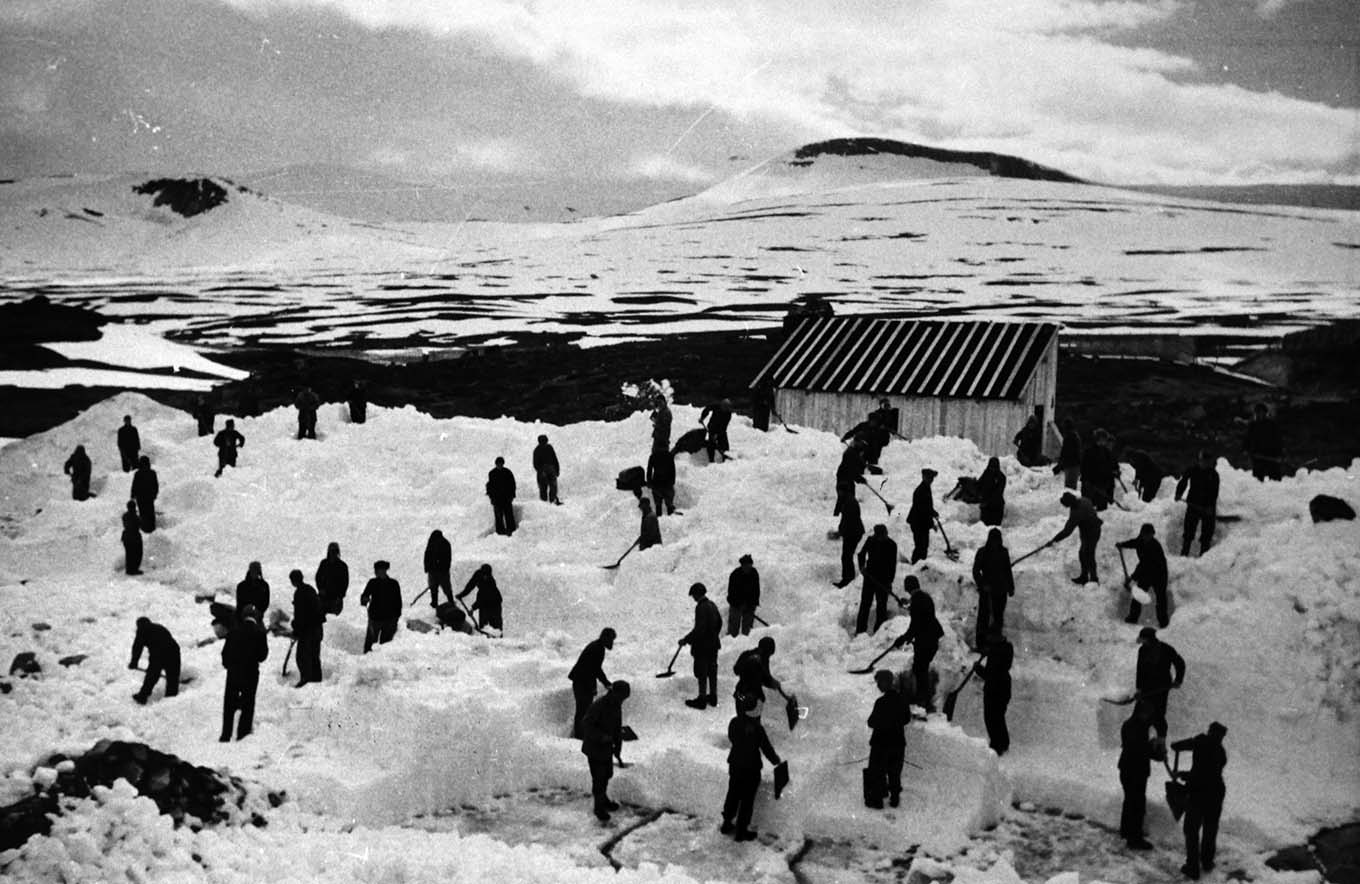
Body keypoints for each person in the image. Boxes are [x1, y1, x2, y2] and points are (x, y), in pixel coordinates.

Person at [721, 690, 782, 840]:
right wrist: (776, 761)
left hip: (735, 764)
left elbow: (732, 738)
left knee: (733, 794)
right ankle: (741, 831)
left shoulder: (734, 722)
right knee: (747, 800)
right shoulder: (758, 729)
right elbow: (766, 748)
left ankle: (727, 823)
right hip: (751, 768)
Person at [1171, 722, 1228, 880]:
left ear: (1209, 731)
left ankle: (1192, 867)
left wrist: (1182, 774)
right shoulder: (1221, 752)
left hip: (1199, 794)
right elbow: (1207, 772)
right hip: (1216, 793)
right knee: (1210, 828)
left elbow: (1200, 774)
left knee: (1191, 830)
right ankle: (1207, 862)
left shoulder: (1202, 741)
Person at [580, 680, 631, 822]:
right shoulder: (599, 705)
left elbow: (617, 727)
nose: (623, 701)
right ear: (615, 693)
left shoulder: (616, 704)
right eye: (622, 697)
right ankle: (599, 808)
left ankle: (604, 799)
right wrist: (601, 737)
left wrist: (618, 747)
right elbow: (586, 724)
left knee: (607, 774)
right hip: (594, 747)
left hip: (606, 747)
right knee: (599, 778)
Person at [892, 578, 943, 711]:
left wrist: (903, 638)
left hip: (925, 640)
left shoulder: (916, 601)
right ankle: (924, 699)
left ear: (907, 587)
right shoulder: (925, 597)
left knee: (920, 669)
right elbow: (922, 616)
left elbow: (915, 624)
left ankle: (923, 701)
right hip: (932, 637)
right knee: (921, 668)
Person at [220, 605, 268, 741]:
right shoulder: (260, 633)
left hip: (233, 673)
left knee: (229, 704)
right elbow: (262, 656)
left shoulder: (233, 632)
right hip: (251, 673)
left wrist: (229, 666)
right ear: (256, 617)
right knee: (248, 703)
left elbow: (225, 654)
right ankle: (243, 734)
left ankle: (226, 735)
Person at [866, 669, 910, 809]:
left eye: (879, 682)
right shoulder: (902, 700)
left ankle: (877, 801)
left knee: (878, 772)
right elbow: (906, 719)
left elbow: (871, 722)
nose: (878, 685)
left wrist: (883, 723)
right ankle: (894, 798)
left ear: (886, 683)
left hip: (880, 744)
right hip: (897, 743)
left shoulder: (881, 702)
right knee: (894, 773)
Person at [679, 582, 724, 708]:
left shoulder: (701, 607)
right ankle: (713, 696)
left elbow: (700, 628)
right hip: (714, 644)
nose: (693, 598)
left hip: (703, 646)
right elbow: (720, 623)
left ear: (696, 594)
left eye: (693, 595)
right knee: (712, 670)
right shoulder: (712, 605)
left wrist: (686, 639)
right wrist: (713, 635)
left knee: (702, 672)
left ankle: (702, 699)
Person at [1118, 705, 1157, 850]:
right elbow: (1137, 748)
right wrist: (1152, 748)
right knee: (1137, 804)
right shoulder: (1135, 727)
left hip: (1130, 769)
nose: (1148, 716)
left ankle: (1127, 832)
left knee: (1130, 801)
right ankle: (1134, 839)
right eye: (1147, 713)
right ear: (1140, 712)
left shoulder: (1134, 724)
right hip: (1134, 770)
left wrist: (1153, 749)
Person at [1135, 627, 1185, 738]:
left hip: (1162, 686)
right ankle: (1142, 739)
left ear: (1148, 639)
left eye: (1143, 639)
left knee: (1158, 714)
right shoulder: (1142, 650)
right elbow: (1140, 670)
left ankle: (1161, 739)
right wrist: (1138, 689)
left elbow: (1180, 663)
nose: (1142, 641)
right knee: (1142, 714)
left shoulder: (1166, 649)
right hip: (1147, 687)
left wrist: (1178, 680)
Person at [1116, 524, 1170, 627]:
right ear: (1142, 534)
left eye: (1149, 535)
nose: (1146, 537)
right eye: (1145, 535)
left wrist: (1132, 578)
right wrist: (1122, 544)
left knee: (1161, 598)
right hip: (1147, 573)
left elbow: (1144, 565)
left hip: (1159, 574)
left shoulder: (1154, 546)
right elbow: (1133, 543)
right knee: (1138, 595)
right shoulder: (1140, 540)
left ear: (1152, 534)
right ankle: (1133, 617)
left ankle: (1163, 622)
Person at [971, 528, 1015, 648]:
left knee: (998, 617)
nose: (995, 543)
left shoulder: (1004, 552)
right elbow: (976, 571)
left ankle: (995, 643)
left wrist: (1010, 587)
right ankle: (981, 643)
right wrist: (982, 584)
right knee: (984, 617)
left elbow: (1007, 571)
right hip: (987, 591)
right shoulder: (982, 552)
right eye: (993, 540)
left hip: (1001, 590)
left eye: (997, 540)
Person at [568, 628, 615, 738]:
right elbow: (595, 669)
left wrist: (603, 683)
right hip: (582, 682)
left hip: (582, 681)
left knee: (584, 710)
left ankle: (580, 734)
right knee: (583, 710)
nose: (612, 643)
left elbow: (594, 669)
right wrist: (605, 683)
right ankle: (579, 736)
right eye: (611, 639)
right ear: (605, 638)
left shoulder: (597, 646)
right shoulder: (597, 648)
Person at [973, 635, 1014, 755]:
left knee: (993, 718)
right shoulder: (1004, 648)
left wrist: (978, 669)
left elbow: (992, 674)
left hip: (996, 689)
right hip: (1000, 687)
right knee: (996, 717)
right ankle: (1001, 744)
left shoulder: (999, 650)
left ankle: (998, 746)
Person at [1051, 491, 1103, 585]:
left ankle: (1093, 579)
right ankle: (1085, 576)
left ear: (1070, 503)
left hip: (1091, 532)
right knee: (1083, 554)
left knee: (1088, 555)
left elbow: (1067, 531)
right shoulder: (1084, 500)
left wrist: (1054, 540)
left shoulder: (1077, 512)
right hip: (1093, 529)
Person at [1175, 450, 1219, 557]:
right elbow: (1183, 481)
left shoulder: (1213, 475)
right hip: (1193, 504)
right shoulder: (1192, 470)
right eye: (1202, 461)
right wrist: (1179, 493)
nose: (1204, 463)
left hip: (1208, 507)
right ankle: (1184, 553)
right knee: (1188, 532)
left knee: (1207, 534)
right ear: (1199, 461)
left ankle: (1204, 556)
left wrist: (1210, 507)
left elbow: (1214, 493)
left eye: (1207, 461)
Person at [855, 524, 897, 635]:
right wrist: (862, 567)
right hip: (870, 577)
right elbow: (861, 554)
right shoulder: (871, 540)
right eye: (881, 536)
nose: (884, 537)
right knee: (865, 604)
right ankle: (860, 631)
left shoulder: (892, 545)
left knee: (881, 606)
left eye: (885, 534)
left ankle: (879, 632)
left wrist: (889, 582)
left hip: (883, 579)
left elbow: (892, 566)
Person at [129, 617, 179, 704]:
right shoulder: (159, 627)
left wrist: (134, 662)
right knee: (172, 676)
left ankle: (142, 696)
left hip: (161, 653)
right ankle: (171, 699)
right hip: (173, 651)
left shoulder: (142, 630)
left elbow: (137, 647)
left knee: (152, 676)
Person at [289, 569, 323, 687]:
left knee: (302, 656)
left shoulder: (299, 593)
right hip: (317, 628)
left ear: (293, 581)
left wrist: (296, 629)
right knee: (314, 655)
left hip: (307, 630)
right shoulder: (310, 589)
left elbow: (300, 615)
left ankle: (306, 679)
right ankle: (317, 680)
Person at [360, 560, 402, 652]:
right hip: (375, 618)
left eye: (377, 570)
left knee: (385, 646)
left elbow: (398, 602)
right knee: (370, 644)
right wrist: (364, 599)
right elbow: (365, 595)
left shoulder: (393, 584)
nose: (376, 572)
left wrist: (396, 617)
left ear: (384, 570)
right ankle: (367, 659)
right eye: (376, 570)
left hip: (389, 619)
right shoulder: (372, 582)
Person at [733, 636, 783, 713]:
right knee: (752, 718)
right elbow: (766, 679)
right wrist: (773, 683)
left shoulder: (747, 654)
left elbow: (736, 670)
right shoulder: (762, 658)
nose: (769, 656)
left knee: (742, 717)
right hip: (752, 697)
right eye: (769, 653)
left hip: (740, 694)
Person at [833, 484, 865, 588]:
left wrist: (841, 531)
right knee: (847, 556)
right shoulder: (848, 499)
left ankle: (848, 579)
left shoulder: (849, 502)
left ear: (842, 491)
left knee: (846, 556)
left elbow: (848, 520)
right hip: (853, 532)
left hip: (852, 533)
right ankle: (849, 578)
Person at [1080, 429, 1119, 511]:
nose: (1104, 441)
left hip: (1103, 484)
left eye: (1105, 439)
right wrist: (1086, 480)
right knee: (1088, 507)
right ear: (1098, 439)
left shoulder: (1106, 452)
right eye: (1102, 439)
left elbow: (1112, 465)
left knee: (1102, 508)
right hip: (1091, 484)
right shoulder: (1089, 452)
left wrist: (1115, 472)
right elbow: (1084, 468)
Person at [458, 563, 503, 632]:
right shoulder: (478, 574)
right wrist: (462, 594)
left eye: (487, 575)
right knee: (483, 623)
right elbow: (470, 585)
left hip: (495, 603)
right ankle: (483, 631)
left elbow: (482, 598)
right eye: (485, 575)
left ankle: (497, 634)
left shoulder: (490, 582)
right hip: (485, 603)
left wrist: (473, 608)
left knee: (496, 625)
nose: (485, 577)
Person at [906, 468, 938, 563]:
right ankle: (916, 563)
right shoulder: (920, 491)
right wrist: (931, 523)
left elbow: (927, 507)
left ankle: (919, 563)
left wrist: (933, 512)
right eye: (929, 478)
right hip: (918, 523)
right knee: (921, 546)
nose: (931, 480)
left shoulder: (926, 487)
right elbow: (923, 511)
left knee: (923, 545)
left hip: (921, 522)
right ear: (923, 477)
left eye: (932, 478)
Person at [1244, 403, 1282, 481]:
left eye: (1262, 412)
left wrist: (1279, 453)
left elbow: (1277, 439)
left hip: (1271, 455)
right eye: (1258, 412)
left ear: (1265, 413)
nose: (1260, 414)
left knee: (1275, 479)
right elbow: (1248, 438)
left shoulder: (1272, 424)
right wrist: (1246, 449)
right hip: (1257, 455)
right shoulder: (1253, 425)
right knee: (1257, 479)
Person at [726, 555, 761, 637]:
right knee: (733, 628)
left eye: (749, 565)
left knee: (747, 629)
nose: (747, 568)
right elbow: (731, 592)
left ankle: (746, 641)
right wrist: (739, 604)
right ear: (742, 565)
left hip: (749, 605)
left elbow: (756, 591)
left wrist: (752, 604)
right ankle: (731, 641)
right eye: (745, 566)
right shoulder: (735, 574)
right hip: (736, 605)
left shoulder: (754, 573)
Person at [315, 541, 349, 616]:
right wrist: (320, 589)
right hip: (323, 595)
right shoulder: (324, 563)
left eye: (334, 551)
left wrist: (340, 596)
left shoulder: (342, 566)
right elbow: (318, 577)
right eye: (331, 550)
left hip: (336, 598)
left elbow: (345, 583)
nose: (333, 553)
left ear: (337, 552)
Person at [486, 456, 517, 536]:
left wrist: (512, 495)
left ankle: (511, 530)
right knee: (498, 516)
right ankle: (500, 532)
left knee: (509, 515)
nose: (499, 465)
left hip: (506, 498)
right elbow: (490, 486)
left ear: (503, 464)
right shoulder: (492, 473)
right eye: (498, 464)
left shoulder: (508, 472)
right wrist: (491, 497)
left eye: (501, 464)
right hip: (497, 499)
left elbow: (512, 484)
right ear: (496, 464)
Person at [646, 443, 677, 516]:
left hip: (656, 484)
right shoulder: (669, 456)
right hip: (667, 484)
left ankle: (659, 521)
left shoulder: (653, 456)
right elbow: (673, 471)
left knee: (658, 506)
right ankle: (671, 520)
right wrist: (672, 483)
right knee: (669, 506)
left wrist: (649, 482)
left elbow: (649, 471)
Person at [423, 529, 452, 608]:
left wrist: (427, 567)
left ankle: (435, 601)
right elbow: (448, 558)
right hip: (439, 571)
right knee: (443, 587)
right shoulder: (445, 543)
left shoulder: (433, 542)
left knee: (435, 587)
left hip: (437, 570)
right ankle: (448, 600)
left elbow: (427, 555)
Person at [700, 398, 734, 463]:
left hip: (721, 430)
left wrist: (717, 435)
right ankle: (711, 460)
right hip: (712, 428)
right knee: (711, 444)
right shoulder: (716, 406)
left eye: (726, 408)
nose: (724, 409)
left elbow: (723, 427)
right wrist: (702, 417)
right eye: (724, 407)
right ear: (721, 405)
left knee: (725, 446)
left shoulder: (728, 414)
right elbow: (707, 409)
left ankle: (724, 459)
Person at [130, 455, 158, 532]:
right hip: (149, 497)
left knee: (143, 512)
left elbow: (134, 486)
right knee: (150, 512)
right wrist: (154, 495)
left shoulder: (138, 474)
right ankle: (152, 527)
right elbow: (155, 485)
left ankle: (145, 528)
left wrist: (132, 495)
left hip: (140, 497)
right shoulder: (152, 473)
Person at [532, 434, 562, 504]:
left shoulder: (545, 448)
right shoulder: (540, 449)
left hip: (548, 469)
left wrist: (557, 469)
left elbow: (554, 459)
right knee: (546, 487)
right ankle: (548, 502)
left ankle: (550, 501)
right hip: (546, 470)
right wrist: (541, 471)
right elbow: (536, 463)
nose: (544, 442)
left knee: (549, 487)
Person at [976, 457, 1006, 526]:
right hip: (985, 508)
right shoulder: (986, 473)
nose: (992, 469)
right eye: (991, 467)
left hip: (996, 507)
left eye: (994, 467)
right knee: (984, 527)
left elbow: (998, 493)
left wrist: (986, 501)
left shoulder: (1001, 477)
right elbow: (979, 484)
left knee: (995, 527)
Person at [1053, 419, 1082, 489]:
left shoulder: (1069, 437)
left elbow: (1066, 453)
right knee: (1071, 486)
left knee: (1069, 486)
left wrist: (1060, 464)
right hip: (1073, 464)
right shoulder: (1074, 436)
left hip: (1071, 465)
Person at [121, 501, 143, 575]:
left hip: (126, 537)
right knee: (137, 554)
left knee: (129, 554)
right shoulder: (135, 517)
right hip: (134, 537)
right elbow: (140, 524)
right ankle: (134, 570)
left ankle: (129, 569)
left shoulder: (125, 516)